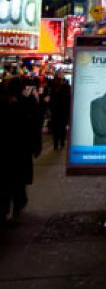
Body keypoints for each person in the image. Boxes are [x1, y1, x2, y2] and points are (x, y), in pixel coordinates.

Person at [0, 76, 42, 223]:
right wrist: (37, 145)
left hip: (6, 149)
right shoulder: (28, 103)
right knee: (18, 180)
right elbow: (35, 125)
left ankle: (6, 209)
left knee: (6, 180)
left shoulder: (5, 102)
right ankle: (17, 205)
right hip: (21, 148)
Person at [49, 72, 71, 150]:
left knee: (57, 127)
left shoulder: (53, 87)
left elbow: (50, 99)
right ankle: (60, 142)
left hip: (56, 110)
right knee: (62, 127)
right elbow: (69, 99)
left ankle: (57, 143)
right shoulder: (66, 87)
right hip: (62, 111)